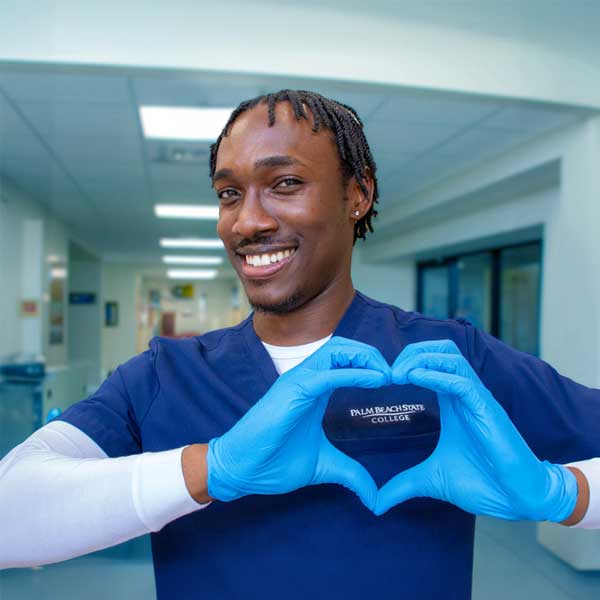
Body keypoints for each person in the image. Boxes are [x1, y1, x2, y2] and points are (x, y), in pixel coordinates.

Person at [1, 90, 600, 600]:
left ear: (356, 195)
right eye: (229, 193)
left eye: (284, 183)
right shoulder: (166, 374)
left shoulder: (446, 361)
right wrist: (214, 469)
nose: (247, 222)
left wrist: (562, 494)